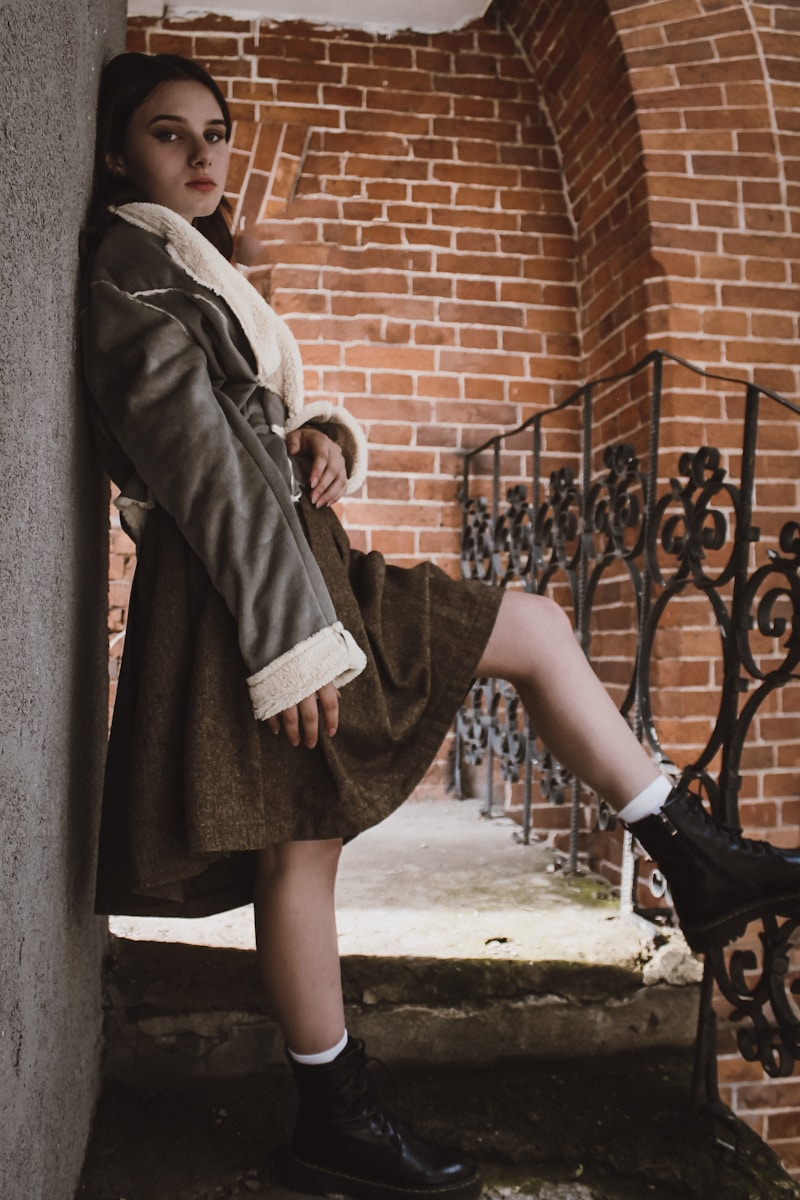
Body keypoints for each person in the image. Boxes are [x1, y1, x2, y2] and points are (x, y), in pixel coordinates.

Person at [81, 51, 800, 1200]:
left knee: (524, 630)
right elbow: (201, 470)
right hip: (246, 589)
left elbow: (246, 430)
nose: (203, 153)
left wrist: (320, 431)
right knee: (300, 839)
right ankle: (332, 1112)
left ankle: (687, 850)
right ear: (119, 153)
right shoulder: (129, 269)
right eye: (170, 134)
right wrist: (286, 633)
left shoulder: (188, 265)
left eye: (214, 131)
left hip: (292, 562)